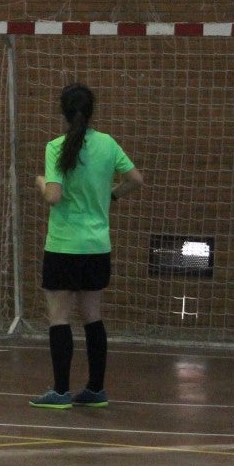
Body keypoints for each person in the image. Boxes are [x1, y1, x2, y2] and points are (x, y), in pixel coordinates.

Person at [30, 83, 144, 409]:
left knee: (59, 317)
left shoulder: (56, 147)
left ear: (63, 113)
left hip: (64, 246)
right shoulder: (108, 144)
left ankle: (60, 391)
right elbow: (135, 180)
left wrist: (40, 181)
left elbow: (53, 196)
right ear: (92, 111)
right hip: (97, 246)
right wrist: (111, 196)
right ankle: (95, 389)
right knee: (93, 316)